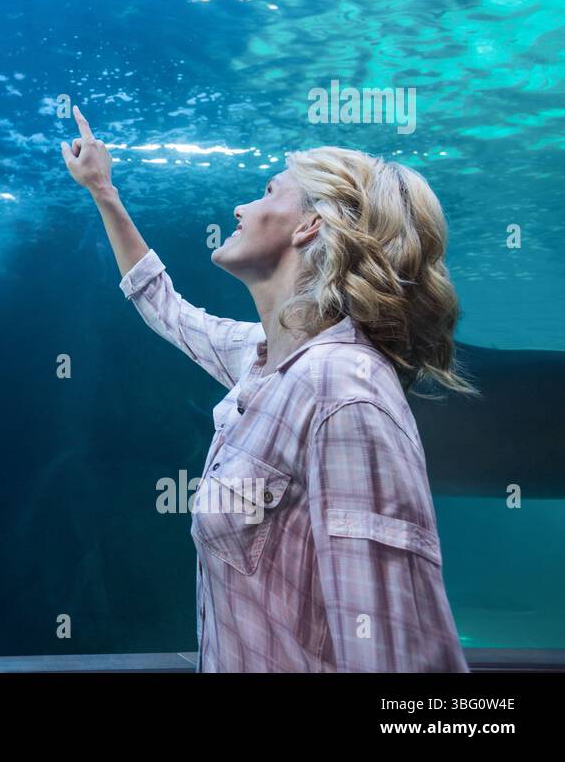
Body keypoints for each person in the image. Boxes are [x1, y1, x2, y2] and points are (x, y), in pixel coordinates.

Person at [62, 106, 473, 672]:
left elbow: (393, 659)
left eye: (267, 192)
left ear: (308, 227)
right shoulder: (268, 359)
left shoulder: (340, 390)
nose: (241, 206)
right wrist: (103, 191)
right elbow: (166, 308)